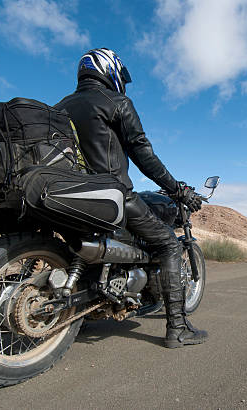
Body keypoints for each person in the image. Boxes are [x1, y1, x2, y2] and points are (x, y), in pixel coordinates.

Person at [55, 48, 207, 348]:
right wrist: (177, 189)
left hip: (68, 195)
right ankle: (177, 328)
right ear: (109, 70)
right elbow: (142, 154)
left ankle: (83, 311)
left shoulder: (58, 107)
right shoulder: (116, 102)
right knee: (167, 243)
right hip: (112, 195)